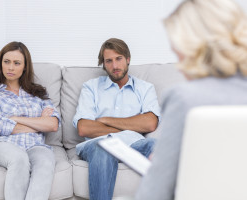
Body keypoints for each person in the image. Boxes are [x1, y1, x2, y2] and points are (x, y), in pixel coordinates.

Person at [135, 0, 247, 199]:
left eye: (178, 53)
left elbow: (154, 194)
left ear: (194, 48)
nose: (179, 65)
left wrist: (160, 169)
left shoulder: (184, 99)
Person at [73, 38, 161, 200]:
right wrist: (131, 126)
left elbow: (150, 123)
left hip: (135, 144)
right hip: (98, 143)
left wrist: (105, 119)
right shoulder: (91, 87)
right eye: (109, 61)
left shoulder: (145, 88)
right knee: (103, 148)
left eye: (119, 59)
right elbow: (84, 127)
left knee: (157, 146)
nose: (114, 66)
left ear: (128, 59)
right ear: (104, 64)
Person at [0, 41, 60, 200]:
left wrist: (15, 119)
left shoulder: (38, 94)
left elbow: (52, 124)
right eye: (6, 62)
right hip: (1, 144)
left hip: (35, 145)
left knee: (46, 161)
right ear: (0, 63)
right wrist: (38, 123)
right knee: (19, 158)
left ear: (25, 67)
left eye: (17, 63)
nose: (10, 68)